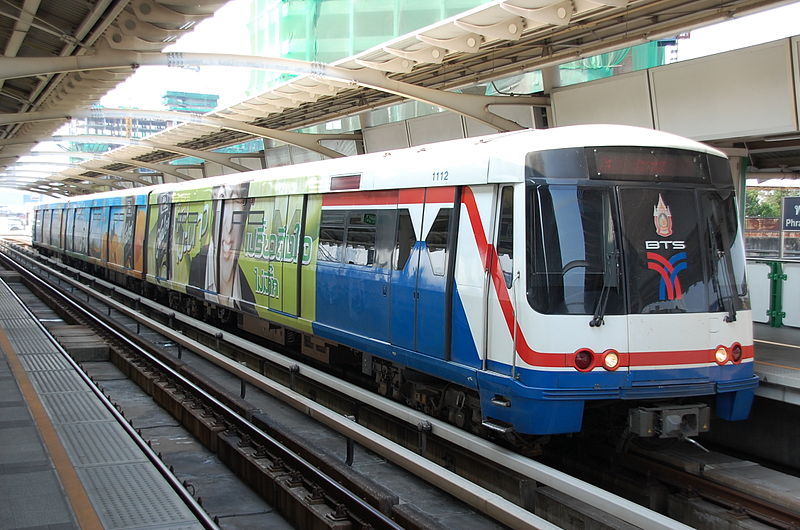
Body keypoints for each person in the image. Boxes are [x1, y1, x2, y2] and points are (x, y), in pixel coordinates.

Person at [188, 181, 255, 313]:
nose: (228, 227)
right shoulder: (196, 267)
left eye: (237, 201)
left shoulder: (249, 295)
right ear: (214, 211)